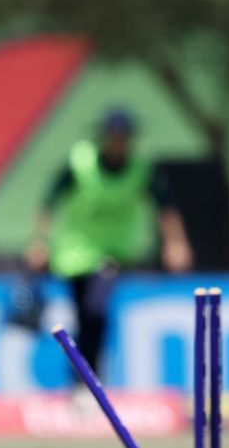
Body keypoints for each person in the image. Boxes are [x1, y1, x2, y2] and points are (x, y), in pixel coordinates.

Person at [26, 107, 193, 380]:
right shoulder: (80, 162)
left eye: (123, 137)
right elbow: (49, 203)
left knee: (96, 312)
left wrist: (176, 244)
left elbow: (166, 207)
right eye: (113, 136)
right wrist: (38, 242)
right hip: (74, 253)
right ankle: (81, 378)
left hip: (112, 253)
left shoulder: (141, 169)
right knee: (84, 315)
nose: (117, 143)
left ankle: (88, 377)